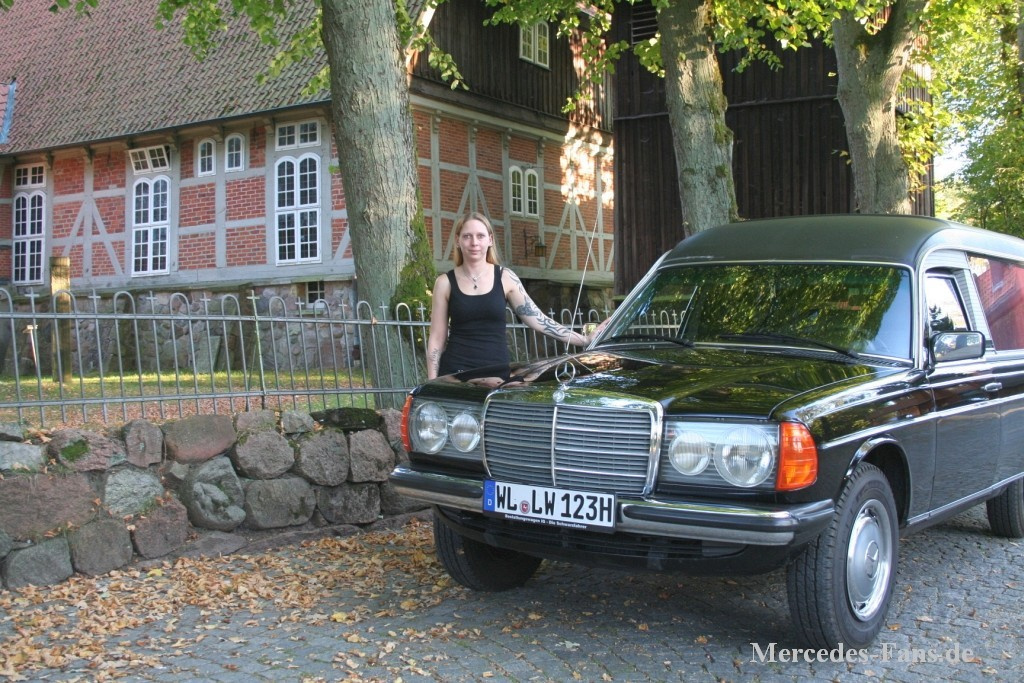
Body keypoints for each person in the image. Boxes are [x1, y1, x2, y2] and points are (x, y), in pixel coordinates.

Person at [426, 211, 589, 380]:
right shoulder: (444, 283)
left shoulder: (506, 277)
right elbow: (437, 338)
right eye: (467, 236)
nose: (474, 242)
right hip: (455, 374)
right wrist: (431, 382)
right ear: (457, 241)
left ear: (490, 240)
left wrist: (583, 340)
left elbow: (539, 320)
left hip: (496, 374)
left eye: (480, 236)